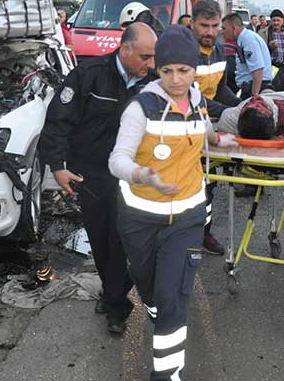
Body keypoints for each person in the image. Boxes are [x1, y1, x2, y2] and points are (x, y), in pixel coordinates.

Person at [108, 25, 218, 381]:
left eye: (183, 71)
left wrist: (224, 140)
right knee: (149, 286)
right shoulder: (141, 107)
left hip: (187, 217)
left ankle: (167, 375)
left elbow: (207, 135)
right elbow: (117, 161)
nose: (175, 79)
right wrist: (144, 176)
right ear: (158, 69)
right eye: (167, 71)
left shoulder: (199, 101)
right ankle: (155, 305)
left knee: (173, 300)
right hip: (139, 217)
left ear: (194, 71)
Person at [38, 22, 157, 336]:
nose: (151, 64)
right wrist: (57, 166)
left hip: (133, 176)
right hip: (90, 173)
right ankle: (111, 291)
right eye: (145, 57)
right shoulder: (88, 75)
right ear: (125, 49)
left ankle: (117, 307)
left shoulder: (155, 84)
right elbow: (58, 122)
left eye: (153, 57)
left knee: (124, 242)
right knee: (102, 241)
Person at [189, 0, 239, 255]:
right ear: (193, 24)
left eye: (214, 25)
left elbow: (220, 89)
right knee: (191, 186)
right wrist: (231, 112)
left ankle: (203, 234)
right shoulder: (184, 51)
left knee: (209, 185)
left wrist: (242, 105)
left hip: (209, 128)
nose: (209, 31)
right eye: (204, 25)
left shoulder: (220, 52)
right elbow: (192, 94)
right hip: (184, 130)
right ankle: (186, 235)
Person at [221, 13, 272, 99]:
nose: (222, 32)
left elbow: (257, 69)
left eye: (224, 28)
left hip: (256, 87)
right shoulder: (243, 38)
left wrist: (254, 97)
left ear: (234, 27)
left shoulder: (248, 40)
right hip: (250, 86)